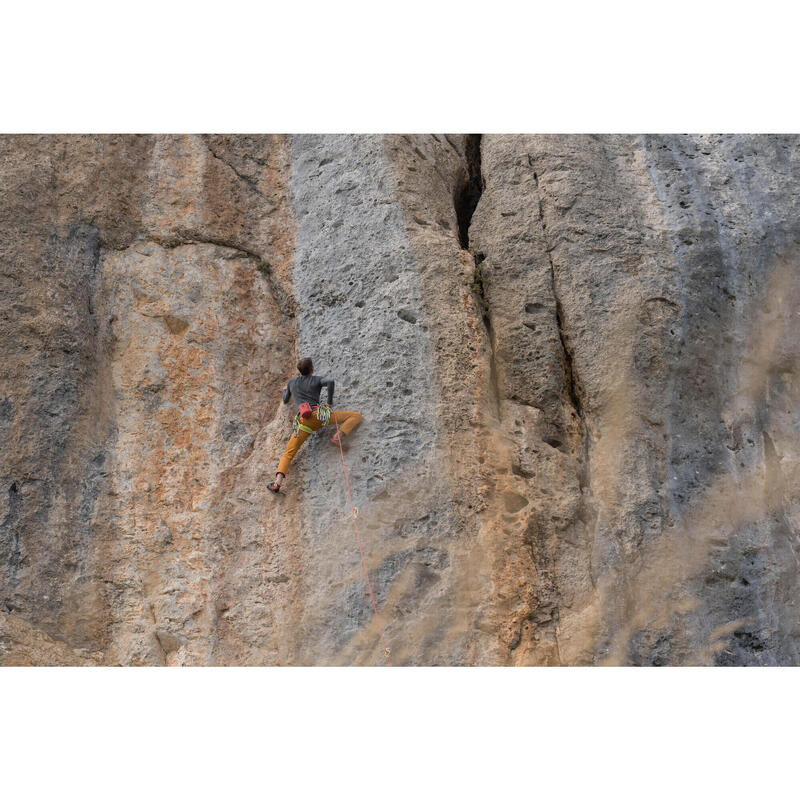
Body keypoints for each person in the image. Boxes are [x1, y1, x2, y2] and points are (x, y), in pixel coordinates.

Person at [267, 357, 363, 493]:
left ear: (299, 371)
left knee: (288, 453)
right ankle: (338, 435)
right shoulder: (316, 380)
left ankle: (277, 483)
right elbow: (330, 381)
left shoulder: (292, 382)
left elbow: (285, 399)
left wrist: (285, 390)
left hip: (304, 423)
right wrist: (329, 402)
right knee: (355, 416)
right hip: (320, 416)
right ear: (312, 369)